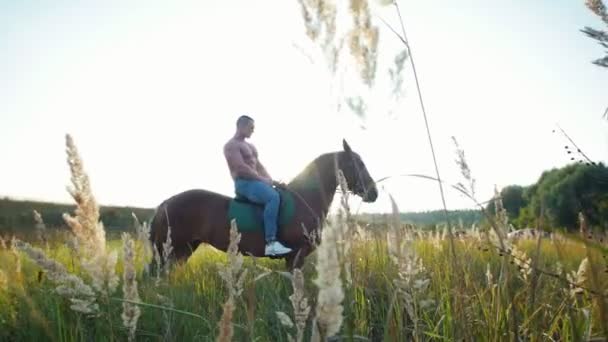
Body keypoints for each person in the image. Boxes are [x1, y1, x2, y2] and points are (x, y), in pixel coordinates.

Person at [223, 115, 293, 256]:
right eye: (251, 127)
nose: (253, 131)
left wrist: (273, 181)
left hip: (255, 182)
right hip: (244, 183)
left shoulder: (250, 146)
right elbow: (241, 167)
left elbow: (259, 166)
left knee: (279, 194)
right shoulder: (231, 145)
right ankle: (271, 243)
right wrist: (262, 180)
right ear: (241, 126)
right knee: (272, 198)